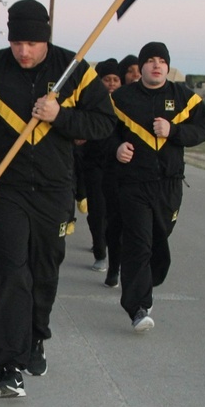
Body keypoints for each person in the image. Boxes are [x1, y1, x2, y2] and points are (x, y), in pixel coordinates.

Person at [0, 0, 116, 398]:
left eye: (32, 43)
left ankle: (37, 335)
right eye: (17, 42)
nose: (23, 51)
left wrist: (61, 116)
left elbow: (104, 123)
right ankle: (9, 366)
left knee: (45, 271)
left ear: (46, 38)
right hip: (5, 189)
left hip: (54, 188)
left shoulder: (73, 70)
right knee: (11, 273)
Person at [111, 42, 205, 332]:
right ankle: (138, 308)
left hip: (169, 184)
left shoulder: (184, 98)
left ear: (168, 66)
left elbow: (202, 130)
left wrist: (174, 130)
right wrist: (116, 149)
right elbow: (104, 132)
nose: (156, 65)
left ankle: (146, 285)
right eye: (150, 60)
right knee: (138, 244)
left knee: (159, 241)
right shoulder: (121, 99)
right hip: (134, 183)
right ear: (140, 67)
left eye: (162, 61)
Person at [81, 58, 122, 273]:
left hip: (117, 165)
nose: (112, 83)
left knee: (114, 212)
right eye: (107, 79)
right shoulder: (92, 101)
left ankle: (115, 253)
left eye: (116, 79)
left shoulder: (126, 103)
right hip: (94, 162)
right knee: (97, 210)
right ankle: (100, 251)